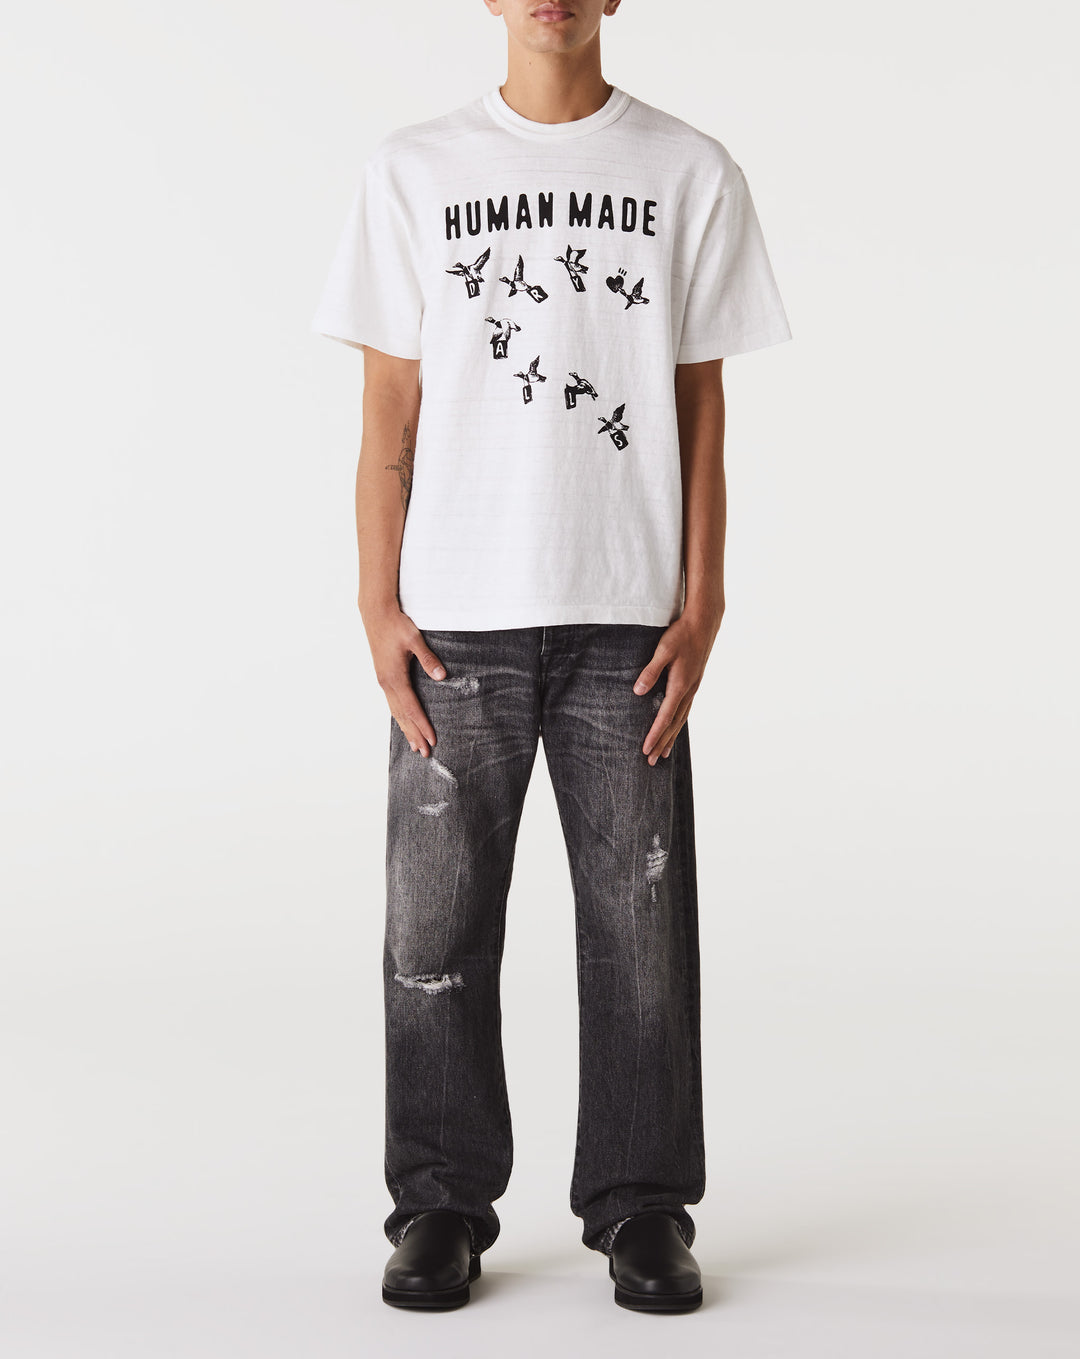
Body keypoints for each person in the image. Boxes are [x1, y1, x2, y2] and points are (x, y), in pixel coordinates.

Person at [310, 0, 791, 1314]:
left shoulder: (688, 170)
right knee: (434, 930)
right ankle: (438, 1203)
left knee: (640, 929)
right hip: (454, 616)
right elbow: (389, 403)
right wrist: (375, 599)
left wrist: (704, 597)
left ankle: (643, 1205)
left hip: (625, 616)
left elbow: (701, 404)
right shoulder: (414, 170)